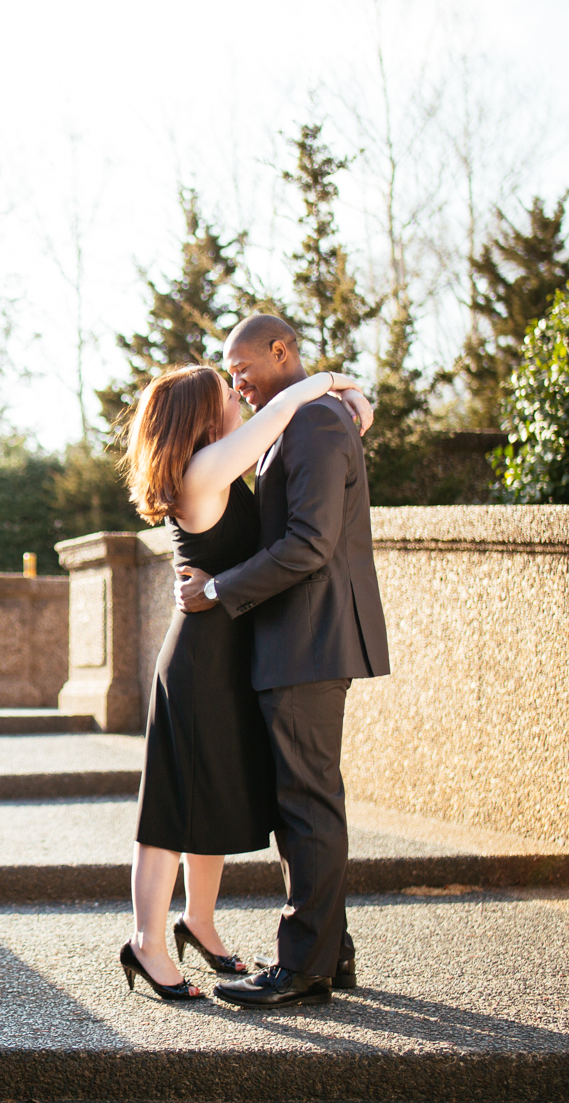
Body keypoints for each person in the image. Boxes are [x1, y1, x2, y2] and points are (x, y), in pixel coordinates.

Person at [117, 358, 372, 1002]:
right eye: (223, 391)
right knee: (172, 810)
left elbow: (308, 436)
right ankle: (147, 945)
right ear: (202, 416)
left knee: (212, 800)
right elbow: (279, 419)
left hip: (228, 653)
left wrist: (353, 403)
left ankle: (197, 922)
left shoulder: (211, 464)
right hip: (202, 659)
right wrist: (323, 383)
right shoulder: (204, 471)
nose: (237, 397)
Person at [178, 313, 391, 1010]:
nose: (236, 377)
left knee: (306, 803)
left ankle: (302, 968)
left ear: (282, 351)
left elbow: (309, 543)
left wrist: (217, 589)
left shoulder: (317, 424)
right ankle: (332, 953)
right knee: (299, 800)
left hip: (308, 638)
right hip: (293, 639)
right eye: (229, 370)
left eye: (244, 365)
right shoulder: (296, 419)